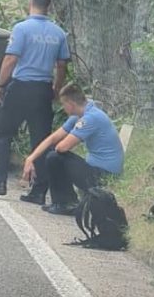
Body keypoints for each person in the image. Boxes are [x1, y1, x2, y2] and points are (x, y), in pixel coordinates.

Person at [0, 0, 70, 198]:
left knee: (4, 135)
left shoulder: (21, 28)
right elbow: (61, 66)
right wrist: (56, 91)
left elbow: (10, 59)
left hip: (21, 87)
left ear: (31, 4)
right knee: (40, 139)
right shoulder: (58, 33)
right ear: (48, 7)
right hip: (43, 89)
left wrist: (0, 84)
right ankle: (39, 191)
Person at [21, 83, 124, 215]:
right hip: (95, 169)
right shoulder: (82, 113)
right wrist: (31, 158)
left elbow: (62, 147)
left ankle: (65, 203)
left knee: (55, 156)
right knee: (52, 151)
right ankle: (64, 201)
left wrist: (55, 147)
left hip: (104, 175)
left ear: (70, 104)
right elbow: (53, 138)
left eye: (63, 104)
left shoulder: (90, 118)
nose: (63, 108)